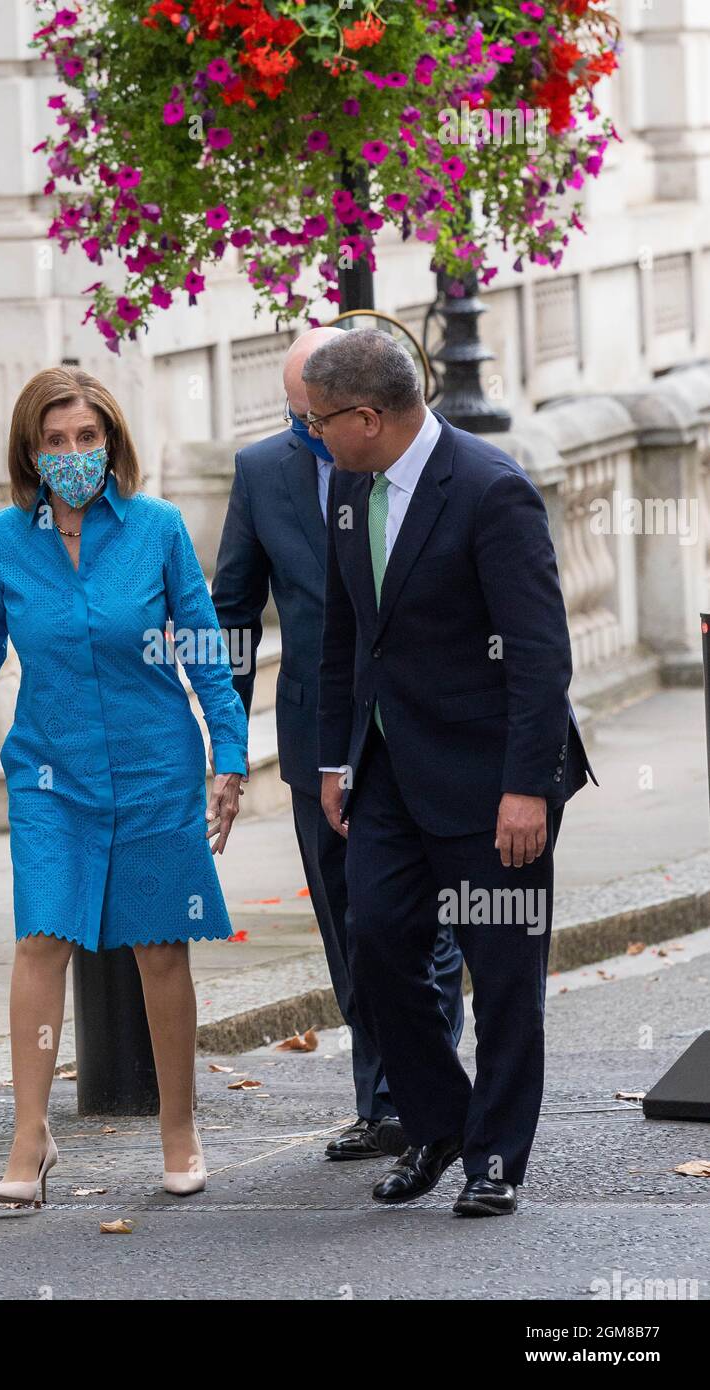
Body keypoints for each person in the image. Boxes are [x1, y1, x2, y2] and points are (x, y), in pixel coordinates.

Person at [0, 367, 248, 1207]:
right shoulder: (5, 539)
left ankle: (179, 1125)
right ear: (31, 450)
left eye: (86, 438)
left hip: (152, 766)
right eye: (54, 441)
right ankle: (31, 1131)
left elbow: (205, 648)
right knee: (41, 939)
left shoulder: (158, 529)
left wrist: (229, 757)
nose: (72, 454)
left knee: (160, 946)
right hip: (50, 774)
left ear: (111, 442)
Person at [308, 329, 597, 1217]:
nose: (311, 435)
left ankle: (496, 1157)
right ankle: (438, 1123)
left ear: (366, 417)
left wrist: (525, 787)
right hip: (389, 773)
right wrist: (333, 758)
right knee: (379, 946)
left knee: (504, 975)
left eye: (320, 421)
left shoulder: (489, 490)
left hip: (491, 779)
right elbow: (345, 637)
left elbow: (542, 655)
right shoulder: (352, 496)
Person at [212, 327, 463, 1163]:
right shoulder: (260, 474)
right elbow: (236, 614)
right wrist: (225, 744)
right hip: (318, 736)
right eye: (295, 419)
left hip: (417, 732)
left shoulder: (418, 462)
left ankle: (417, 1099)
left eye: (316, 418)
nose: (307, 434)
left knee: (424, 926)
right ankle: (382, 1098)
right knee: (352, 929)